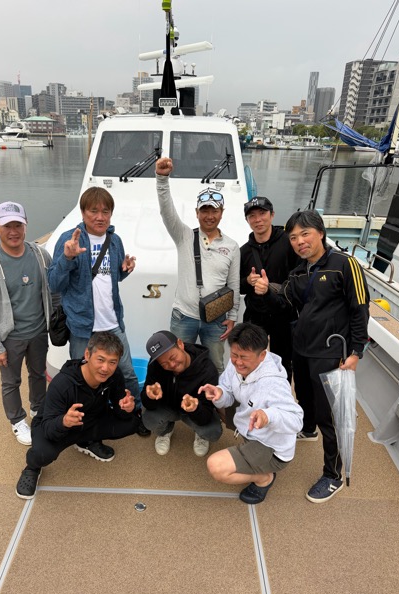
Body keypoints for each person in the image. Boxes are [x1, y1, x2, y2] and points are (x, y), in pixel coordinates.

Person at [254, 210, 369, 503]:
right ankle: (307, 430)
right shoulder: (298, 272)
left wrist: (356, 352)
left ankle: (332, 475)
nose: (299, 242)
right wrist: (267, 291)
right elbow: (286, 303)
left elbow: (360, 309)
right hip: (302, 349)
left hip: (331, 353)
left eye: (305, 234)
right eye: (293, 237)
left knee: (329, 416)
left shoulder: (345, 264)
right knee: (304, 398)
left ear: (320, 233)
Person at [48, 186, 150, 448]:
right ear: (83, 213)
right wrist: (67, 258)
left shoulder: (114, 241)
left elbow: (111, 277)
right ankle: (82, 426)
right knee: (82, 381)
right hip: (82, 327)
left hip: (112, 323)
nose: (100, 216)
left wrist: (125, 270)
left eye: (105, 211)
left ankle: (136, 412)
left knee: (127, 373)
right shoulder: (69, 240)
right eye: (94, 211)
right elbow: (54, 283)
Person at [15, 331, 140, 499]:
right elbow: (48, 428)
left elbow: (120, 411)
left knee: (133, 422)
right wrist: (64, 421)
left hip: (91, 420)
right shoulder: (62, 384)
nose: (105, 368)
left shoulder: (114, 375)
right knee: (42, 453)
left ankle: (87, 442)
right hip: (56, 425)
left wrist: (127, 408)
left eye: (112, 362)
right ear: (87, 355)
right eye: (100, 359)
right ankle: (32, 468)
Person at [0, 201, 55, 446]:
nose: (13, 231)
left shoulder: (40, 255)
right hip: (10, 337)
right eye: (7, 225)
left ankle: (38, 409)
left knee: (38, 374)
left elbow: (54, 290)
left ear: (25, 225)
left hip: (39, 331)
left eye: (18, 225)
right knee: (11, 382)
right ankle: (17, 420)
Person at [200, 323, 303, 504]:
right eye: (234, 355)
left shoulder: (274, 384)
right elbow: (227, 390)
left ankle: (264, 478)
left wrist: (268, 416)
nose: (238, 362)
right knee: (219, 402)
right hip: (253, 430)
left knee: (216, 466)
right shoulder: (236, 364)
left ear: (262, 355)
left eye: (244, 357)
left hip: (272, 449)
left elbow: (297, 420)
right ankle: (251, 457)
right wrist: (219, 393)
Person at [155, 157, 240, 374]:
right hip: (183, 317)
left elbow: (234, 285)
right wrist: (162, 179)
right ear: (197, 213)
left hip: (216, 319)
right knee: (179, 366)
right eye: (205, 211)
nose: (209, 216)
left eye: (214, 211)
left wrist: (232, 317)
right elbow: (166, 212)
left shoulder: (231, 246)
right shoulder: (184, 236)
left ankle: (215, 397)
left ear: (222, 212)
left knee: (216, 366)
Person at [240, 196, 299, 382]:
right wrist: (247, 281)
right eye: (252, 216)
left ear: (272, 215)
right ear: (247, 220)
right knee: (249, 359)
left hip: (283, 313)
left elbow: (299, 276)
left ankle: (281, 395)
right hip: (255, 314)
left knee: (283, 362)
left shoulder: (289, 243)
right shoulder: (244, 251)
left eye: (262, 214)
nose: (258, 220)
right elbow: (237, 287)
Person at [141, 330, 222, 457]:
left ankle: (200, 436)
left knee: (212, 431)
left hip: (193, 410)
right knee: (149, 420)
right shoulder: (155, 365)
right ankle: (166, 431)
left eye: (173, 357)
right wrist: (150, 396)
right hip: (168, 406)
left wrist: (195, 408)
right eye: (164, 363)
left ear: (180, 344)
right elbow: (147, 403)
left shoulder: (207, 370)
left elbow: (206, 414)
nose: (171, 364)